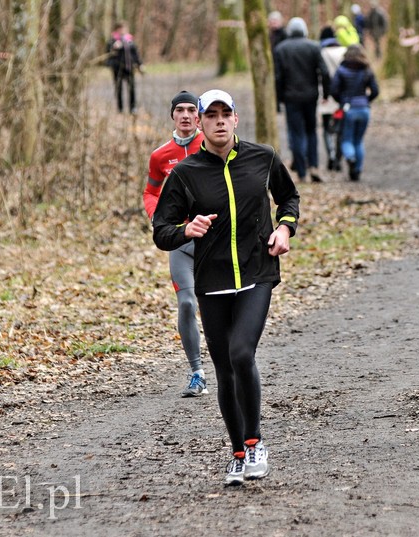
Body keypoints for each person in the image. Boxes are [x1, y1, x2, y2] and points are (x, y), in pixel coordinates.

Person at [152, 89, 300, 486]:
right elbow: (161, 231)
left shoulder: (262, 157)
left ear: (236, 119)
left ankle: (256, 443)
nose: (219, 121)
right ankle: (237, 452)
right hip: (212, 281)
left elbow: (288, 198)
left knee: (240, 353)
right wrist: (187, 228)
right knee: (223, 370)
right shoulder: (186, 173)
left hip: (257, 273)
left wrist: (285, 229)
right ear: (199, 123)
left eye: (225, 113)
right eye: (210, 115)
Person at [144, 91, 207, 397]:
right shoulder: (160, 156)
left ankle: (233, 362)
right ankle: (197, 372)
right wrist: (157, 218)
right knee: (186, 303)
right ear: (172, 116)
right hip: (180, 242)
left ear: (199, 116)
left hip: (213, 240)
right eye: (179, 110)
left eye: (190, 110)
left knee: (218, 305)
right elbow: (151, 191)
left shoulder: (211, 146)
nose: (184, 115)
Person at [273, 17, 330, 183]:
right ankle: (314, 166)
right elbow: (324, 72)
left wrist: (278, 99)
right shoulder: (313, 46)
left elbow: (278, 77)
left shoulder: (280, 49)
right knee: (312, 131)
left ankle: (302, 172)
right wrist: (326, 94)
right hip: (311, 97)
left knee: (296, 133)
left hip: (291, 98)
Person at [330, 44, 380, 182]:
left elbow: (333, 90)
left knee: (347, 139)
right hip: (364, 109)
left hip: (348, 109)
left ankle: (350, 158)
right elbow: (375, 91)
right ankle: (357, 171)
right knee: (358, 141)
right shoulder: (367, 70)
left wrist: (341, 101)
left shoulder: (341, 70)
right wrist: (366, 100)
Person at [318, 26, 347, 171]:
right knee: (340, 129)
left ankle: (330, 154)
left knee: (326, 128)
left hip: (325, 98)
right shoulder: (344, 52)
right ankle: (338, 158)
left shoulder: (321, 52)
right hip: (341, 98)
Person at [106, 21, 142, 114]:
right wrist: (114, 47)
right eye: (121, 29)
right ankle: (120, 108)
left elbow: (135, 54)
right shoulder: (112, 40)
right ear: (117, 30)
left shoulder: (129, 40)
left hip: (129, 68)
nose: (123, 30)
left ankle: (132, 108)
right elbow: (108, 53)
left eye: (125, 28)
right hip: (117, 69)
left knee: (132, 88)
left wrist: (139, 64)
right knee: (119, 89)